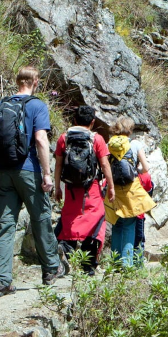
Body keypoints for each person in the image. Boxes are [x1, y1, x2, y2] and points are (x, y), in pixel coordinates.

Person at [0, 66, 64, 297]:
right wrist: (47, 174)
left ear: (18, 81)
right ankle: (50, 269)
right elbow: (40, 139)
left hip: (3, 173)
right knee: (40, 219)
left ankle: (1, 281)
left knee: (4, 225)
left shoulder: (1, 106)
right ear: (35, 82)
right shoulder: (37, 105)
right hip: (29, 171)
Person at [54, 106, 116, 276]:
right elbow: (104, 165)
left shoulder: (64, 138)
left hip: (71, 190)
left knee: (70, 221)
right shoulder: (97, 139)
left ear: (74, 121)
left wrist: (57, 187)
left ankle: (65, 251)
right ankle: (88, 266)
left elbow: (59, 164)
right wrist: (111, 187)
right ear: (93, 122)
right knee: (95, 224)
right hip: (92, 190)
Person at [105, 116, 156, 267]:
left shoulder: (109, 144)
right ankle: (127, 265)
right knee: (129, 226)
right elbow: (145, 168)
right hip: (130, 189)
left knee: (117, 225)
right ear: (130, 129)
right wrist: (136, 170)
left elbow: (104, 167)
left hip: (113, 189)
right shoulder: (134, 144)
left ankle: (115, 264)